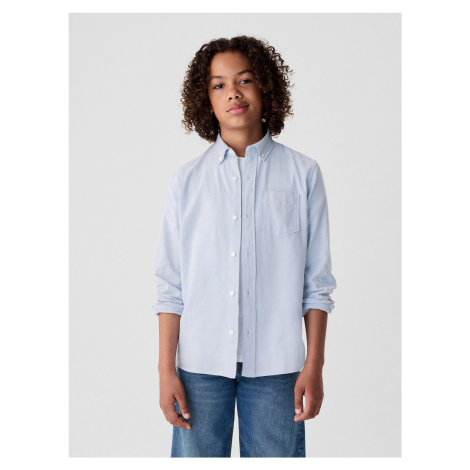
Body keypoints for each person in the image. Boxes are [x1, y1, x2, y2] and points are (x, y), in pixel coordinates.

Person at [152, 35, 337, 458]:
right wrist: (166, 371)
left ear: (266, 88)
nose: (232, 92)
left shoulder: (303, 174)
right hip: (199, 366)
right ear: (206, 99)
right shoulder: (187, 182)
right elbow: (170, 286)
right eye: (218, 85)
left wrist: (314, 365)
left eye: (244, 80)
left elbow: (317, 283)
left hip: (277, 367)